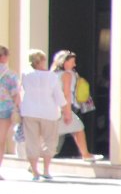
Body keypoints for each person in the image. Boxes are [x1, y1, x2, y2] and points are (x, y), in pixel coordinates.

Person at [17, 50, 68, 181]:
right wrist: (65, 110)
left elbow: (21, 91)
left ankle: (35, 171)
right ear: (40, 61)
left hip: (29, 111)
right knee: (50, 141)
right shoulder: (52, 77)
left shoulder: (25, 74)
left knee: (31, 141)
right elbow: (58, 95)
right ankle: (46, 169)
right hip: (49, 112)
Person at [50, 50, 97, 161]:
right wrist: (68, 112)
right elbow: (66, 94)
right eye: (72, 62)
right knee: (78, 128)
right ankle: (86, 155)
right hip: (64, 108)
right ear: (64, 62)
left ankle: (39, 160)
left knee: (54, 137)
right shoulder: (67, 75)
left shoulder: (52, 74)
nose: (74, 65)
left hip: (53, 108)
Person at [0, 45, 19, 177]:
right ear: (5, 57)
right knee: (1, 141)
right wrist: (18, 109)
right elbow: (15, 95)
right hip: (5, 109)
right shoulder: (10, 75)